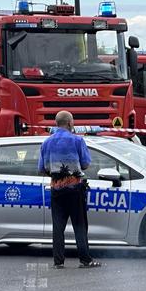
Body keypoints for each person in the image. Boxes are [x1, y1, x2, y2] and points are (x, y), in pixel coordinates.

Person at [38, 111, 101, 269]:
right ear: (69, 123)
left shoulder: (46, 143)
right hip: (75, 190)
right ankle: (85, 260)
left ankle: (58, 262)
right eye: (72, 122)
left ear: (56, 123)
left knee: (58, 227)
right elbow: (85, 164)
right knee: (79, 225)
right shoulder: (77, 140)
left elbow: (42, 168)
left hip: (56, 190)